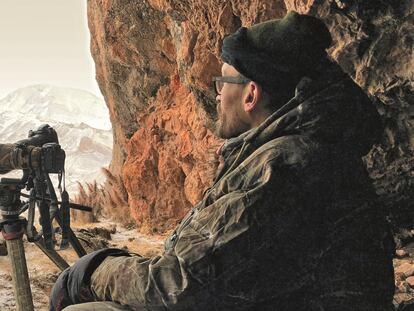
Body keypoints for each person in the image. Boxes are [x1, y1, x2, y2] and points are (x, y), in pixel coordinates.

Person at [50, 11, 395, 311]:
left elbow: (177, 287)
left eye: (222, 81)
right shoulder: (304, 153)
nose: (216, 93)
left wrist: (96, 269)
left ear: (250, 94)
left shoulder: (283, 169)